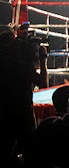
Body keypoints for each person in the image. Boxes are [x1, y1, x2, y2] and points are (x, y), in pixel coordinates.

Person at [0, 27, 48, 167]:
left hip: (4, 113)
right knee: (30, 155)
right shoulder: (22, 63)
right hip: (23, 114)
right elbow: (43, 83)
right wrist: (43, 59)